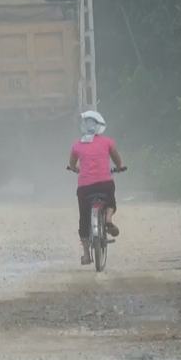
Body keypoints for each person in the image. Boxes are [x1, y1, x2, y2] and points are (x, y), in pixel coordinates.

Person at [68, 111, 125, 265]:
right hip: (104, 183)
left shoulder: (77, 145)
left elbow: (72, 164)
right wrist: (119, 166)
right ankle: (108, 218)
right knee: (111, 203)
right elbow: (116, 158)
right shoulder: (107, 142)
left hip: (85, 187)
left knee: (84, 216)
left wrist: (74, 168)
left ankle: (86, 256)